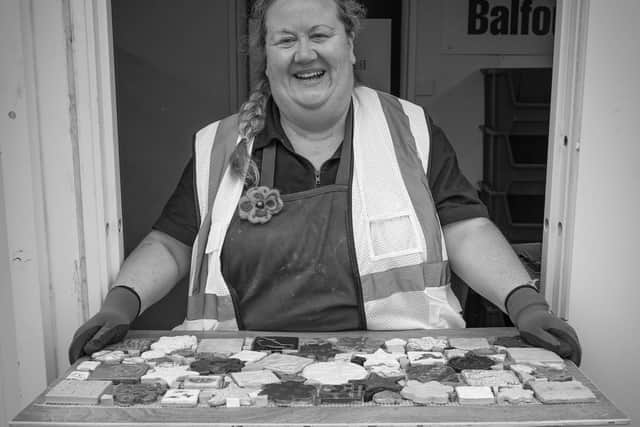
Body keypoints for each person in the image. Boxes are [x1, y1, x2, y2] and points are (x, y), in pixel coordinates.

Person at [69, 0, 581, 365]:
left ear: (350, 43)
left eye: (320, 35)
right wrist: (120, 303)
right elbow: (172, 241)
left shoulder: (409, 128)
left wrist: (525, 303)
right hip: (240, 377)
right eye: (285, 39)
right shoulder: (221, 144)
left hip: (401, 371)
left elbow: (465, 228)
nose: (304, 53)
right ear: (264, 55)